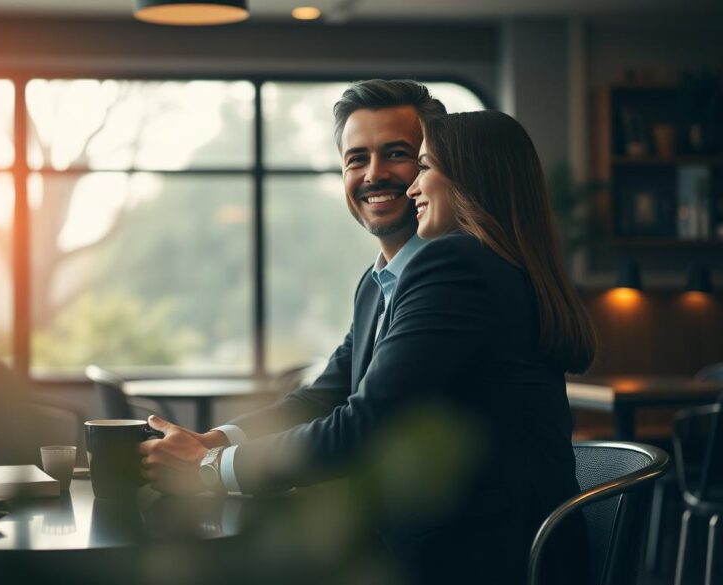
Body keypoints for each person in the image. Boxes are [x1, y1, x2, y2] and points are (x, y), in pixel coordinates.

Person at [140, 82, 596, 583]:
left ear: (456, 164)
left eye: (406, 158)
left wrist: (211, 468)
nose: (378, 175)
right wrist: (213, 442)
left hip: (478, 560)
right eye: (356, 158)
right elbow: (325, 397)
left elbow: (365, 424)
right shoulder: (382, 282)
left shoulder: (457, 264)